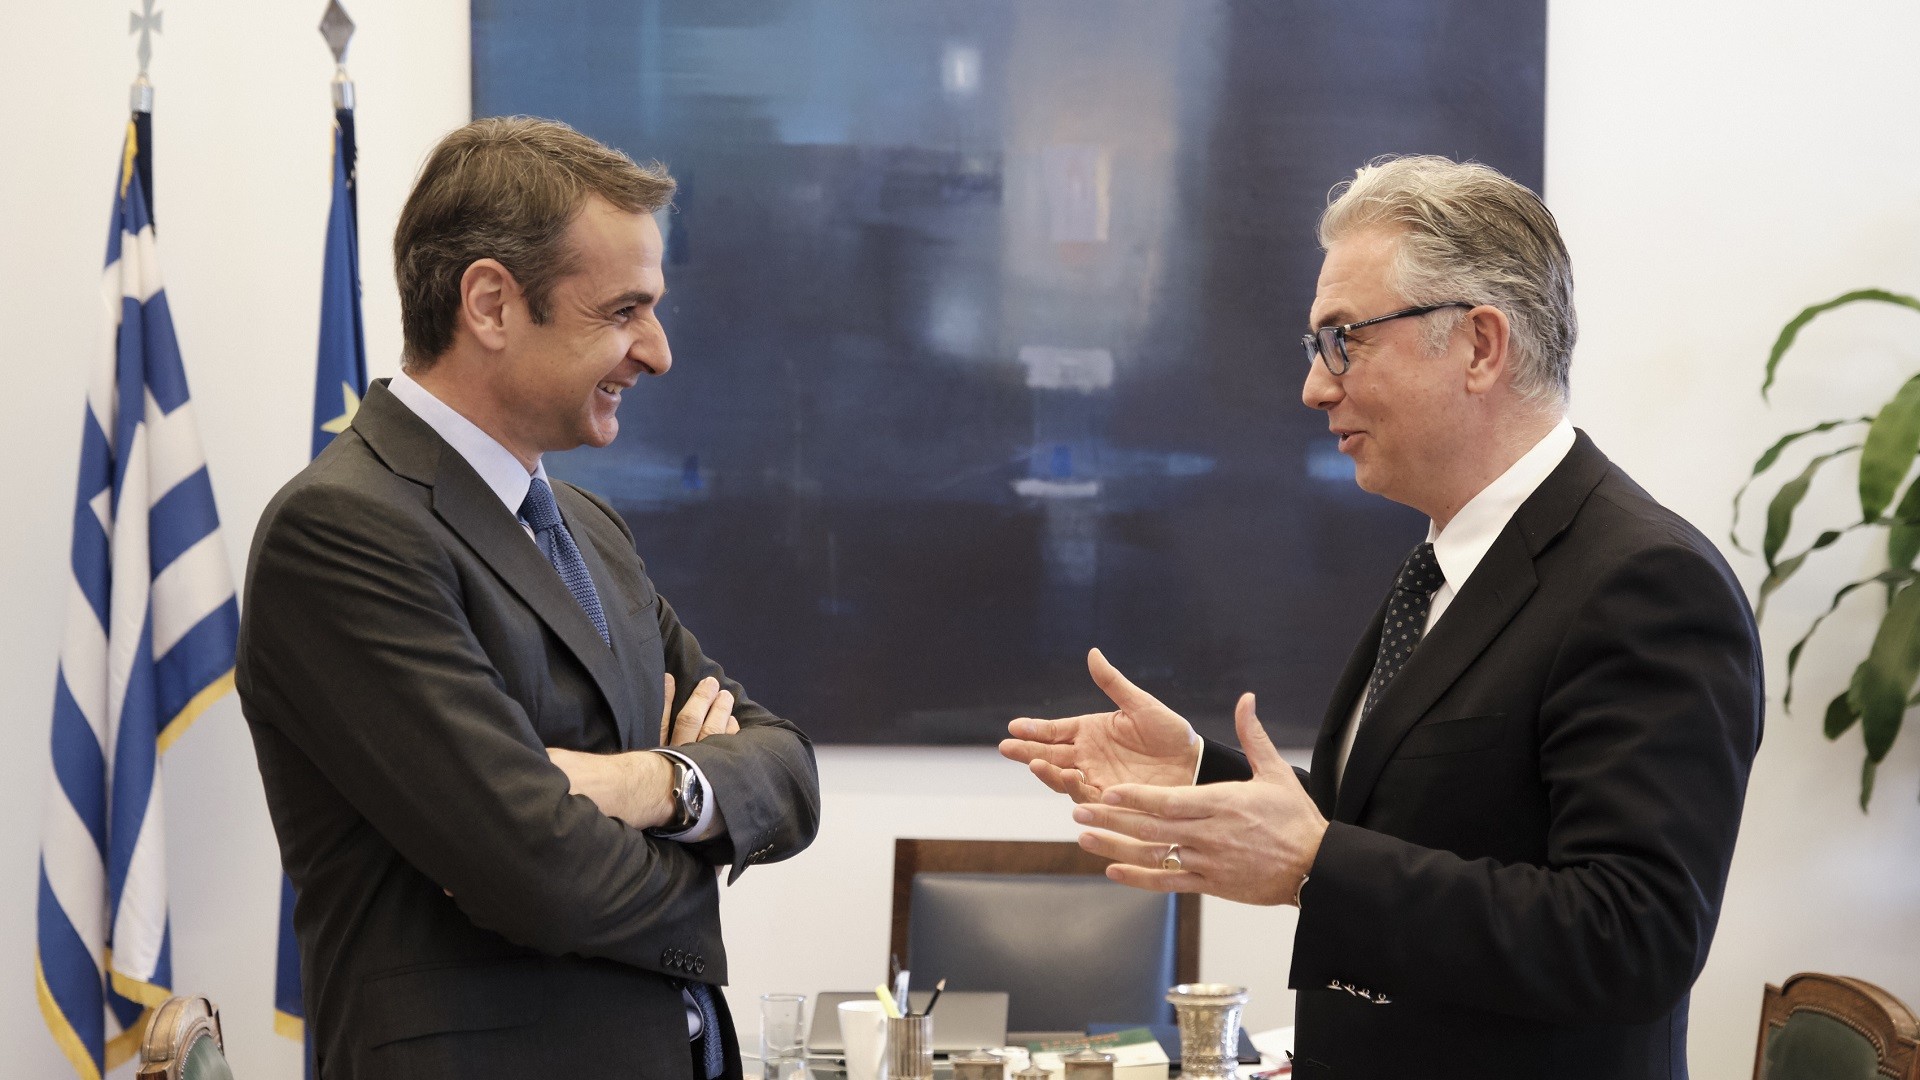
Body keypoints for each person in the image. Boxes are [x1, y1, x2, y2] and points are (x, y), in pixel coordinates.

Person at [1000, 156, 1761, 1080]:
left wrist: (1314, 867)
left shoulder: (1647, 582)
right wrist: (1203, 777)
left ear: (1480, 345)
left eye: (1343, 341)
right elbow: (1407, 826)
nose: (1315, 387)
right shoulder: (1443, 563)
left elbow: (1632, 937)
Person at [238, 117, 821, 1080]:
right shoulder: (341, 531)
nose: (658, 352)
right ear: (492, 305)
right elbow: (539, 874)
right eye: (623, 310)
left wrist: (650, 785)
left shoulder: (589, 528)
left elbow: (788, 772)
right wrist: (701, 849)